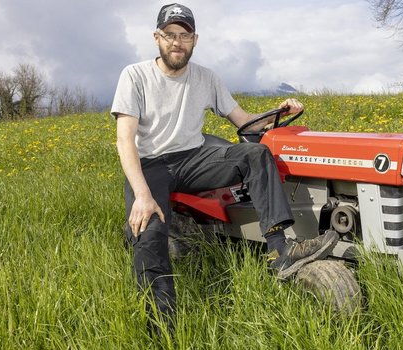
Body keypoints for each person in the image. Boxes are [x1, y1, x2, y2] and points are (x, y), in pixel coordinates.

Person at [111, 3, 338, 331]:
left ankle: (280, 251)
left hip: (193, 159)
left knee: (256, 155)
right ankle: (162, 329)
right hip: (150, 166)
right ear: (157, 37)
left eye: (184, 35)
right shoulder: (135, 76)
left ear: (195, 39)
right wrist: (142, 195)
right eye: (170, 34)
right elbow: (124, 140)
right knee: (151, 234)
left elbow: (244, 122)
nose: (177, 41)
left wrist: (278, 113)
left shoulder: (206, 78)